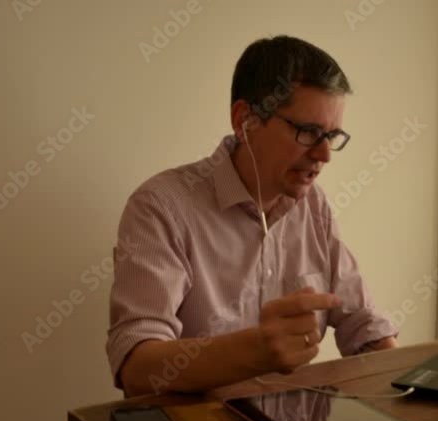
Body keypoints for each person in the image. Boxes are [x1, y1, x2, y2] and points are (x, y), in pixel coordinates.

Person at [107, 35, 398, 397]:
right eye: (308, 133)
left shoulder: (313, 205)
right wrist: (254, 351)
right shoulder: (162, 206)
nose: (325, 155)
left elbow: (364, 325)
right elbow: (137, 366)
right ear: (244, 120)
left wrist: (410, 390)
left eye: (332, 135)